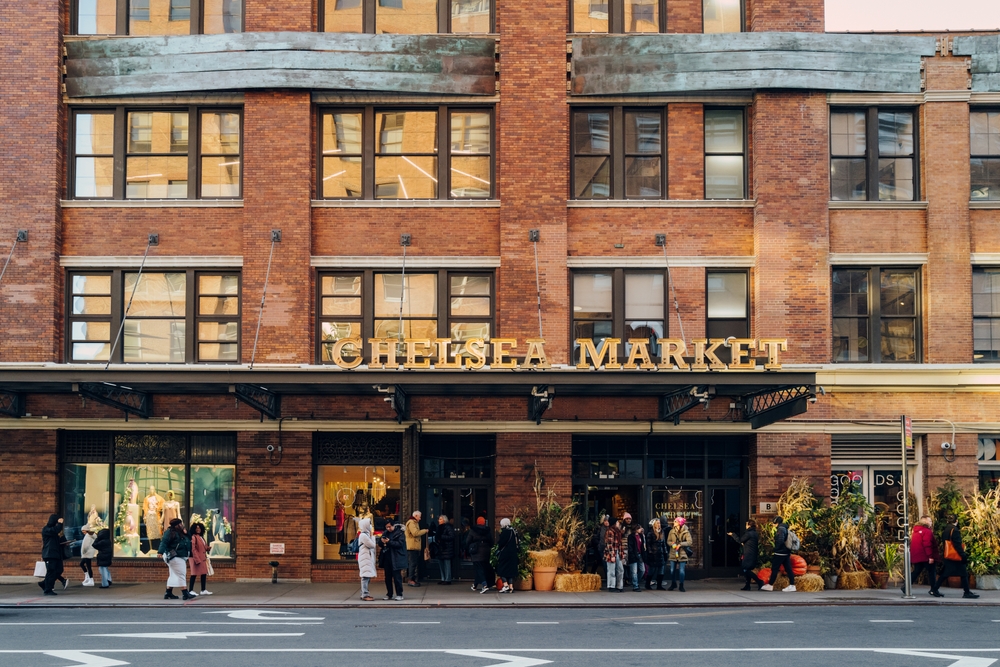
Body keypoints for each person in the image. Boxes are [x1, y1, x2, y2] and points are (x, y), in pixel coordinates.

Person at [943, 514, 979, 599]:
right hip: (956, 555)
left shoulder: (946, 529)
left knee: (946, 573)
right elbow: (957, 544)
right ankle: (967, 593)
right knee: (963, 573)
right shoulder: (955, 530)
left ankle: (935, 589)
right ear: (956, 521)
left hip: (948, 554)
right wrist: (962, 555)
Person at [158, 518, 194, 601]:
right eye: (180, 524)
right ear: (176, 525)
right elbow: (164, 542)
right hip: (175, 556)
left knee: (173, 574)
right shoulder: (170, 532)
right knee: (182, 574)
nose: (182, 525)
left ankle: (168, 592)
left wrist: (186, 533)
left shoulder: (181, 532)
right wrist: (160, 552)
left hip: (180, 556)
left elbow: (189, 540)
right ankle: (185, 593)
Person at [906, 514, 942, 597]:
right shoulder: (927, 531)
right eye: (930, 521)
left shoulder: (915, 530)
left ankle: (906, 586)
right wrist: (930, 556)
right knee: (932, 572)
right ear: (925, 521)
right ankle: (934, 589)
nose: (931, 523)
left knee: (916, 571)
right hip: (925, 556)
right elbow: (927, 544)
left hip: (917, 555)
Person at [761, 516, 795, 592]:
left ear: (776, 522)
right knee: (788, 569)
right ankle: (792, 585)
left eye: (773, 523)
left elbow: (780, 540)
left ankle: (770, 585)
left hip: (780, 553)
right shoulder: (785, 528)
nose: (773, 525)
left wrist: (776, 549)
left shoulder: (780, 529)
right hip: (786, 552)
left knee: (775, 569)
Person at [729, 520, 763, 591]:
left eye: (746, 524)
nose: (746, 526)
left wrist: (733, 535)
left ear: (749, 525)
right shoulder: (754, 533)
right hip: (752, 553)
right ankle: (747, 586)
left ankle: (759, 582)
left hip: (748, 553)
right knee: (748, 569)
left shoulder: (748, 534)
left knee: (745, 569)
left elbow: (740, 540)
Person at [40, 514, 68, 595]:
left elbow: (59, 539)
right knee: (51, 571)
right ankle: (48, 589)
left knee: (59, 570)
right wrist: (60, 524)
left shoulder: (55, 531)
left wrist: (63, 538)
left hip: (56, 554)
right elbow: (55, 530)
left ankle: (44, 583)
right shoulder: (46, 529)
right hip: (49, 554)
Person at [379, 520, 406, 600]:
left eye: (389, 527)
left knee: (397, 577)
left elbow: (399, 544)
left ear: (393, 525)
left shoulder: (400, 533)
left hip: (396, 557)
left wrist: (389, 542)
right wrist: (381, 541)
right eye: (387, 527)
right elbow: (379, 544)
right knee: (388, 577)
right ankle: (389, 594)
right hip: (387, 557)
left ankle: (399, 594)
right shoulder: (385, 533)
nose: (388, 528)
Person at [467, 516, 493, 593]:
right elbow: (491, 541)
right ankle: (475, 585)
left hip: (476, 552)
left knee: (479, 569)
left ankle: (484, 584)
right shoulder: (487, 531)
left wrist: (468, 547)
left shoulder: (473, 530)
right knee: (482, 568)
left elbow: (468, 541)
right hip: (486, 551)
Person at [667, 516, 692, 592]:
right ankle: (673, 583)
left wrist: (681, 544)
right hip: (673, 552)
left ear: (679, 523)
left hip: (682, 553)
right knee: (672, 570)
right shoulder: (671, 531)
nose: (673, 523)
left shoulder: (686, 532)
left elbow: (689, 542)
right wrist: (672, 544)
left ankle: (681, 585)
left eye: (675, 521)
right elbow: (668, 541)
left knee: (681, 571)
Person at [405, 511, 428, 587]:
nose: (420, 518)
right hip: (412, 546)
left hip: (414, 546)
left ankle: (412, 579)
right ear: (416, 516)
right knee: (412, 563)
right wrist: (424, 531)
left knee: (413, 563)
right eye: (419, 517)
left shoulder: (414, 522)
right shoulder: (411, 523)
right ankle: (411, 579)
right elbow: (415, 533)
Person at [188, 522, 211, 597]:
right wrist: (197, 559)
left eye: (199, 528)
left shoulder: (201, 537)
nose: (198, 529)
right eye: (197, 528)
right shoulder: (193, 537)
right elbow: (193, 549)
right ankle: (190, 590)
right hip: (196, 558)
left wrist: (208, 548)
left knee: (203, 574)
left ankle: (203, 589)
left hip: (202, 558)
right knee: (194, 574)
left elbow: (203, 547)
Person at [495, 518, 519, 593]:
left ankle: (505, 585)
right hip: (513, 554)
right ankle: (511, 587)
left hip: (505, 554)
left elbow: (501, 543)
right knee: (511, 571)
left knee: (502, 570)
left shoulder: (505, 532)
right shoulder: (514, 531)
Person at [356, 517, 376, 601]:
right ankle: (365, 594)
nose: (371, 526)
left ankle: (364, 593)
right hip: (365, 558)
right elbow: (372, 545)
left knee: (367, 576)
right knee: (365, 576)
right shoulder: (363, 535)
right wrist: (372, 536)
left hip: (367, 558)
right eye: (369, 524)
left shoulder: (365, 535)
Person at [625, 517, 646, 592]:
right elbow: (630, 547)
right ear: (636, 529)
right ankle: (635, 585)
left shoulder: (641, 536)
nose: (641, 529)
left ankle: (635, 581)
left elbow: (642, 546)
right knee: (634, 571)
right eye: (639, 528)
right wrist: (633, 554)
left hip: (640, 554)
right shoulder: (631, 537)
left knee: (642, 570)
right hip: (634, 555)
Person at [644, 518, 666, 590]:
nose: (659, 524)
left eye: (659, 523)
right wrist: (650, 553)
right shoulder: (650, 533)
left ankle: (659, 585)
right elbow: (648, 544)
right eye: (657, 523)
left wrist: (665, 552)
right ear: (654, 524)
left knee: (661, 570)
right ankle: (647, 584)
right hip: (654, 554)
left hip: (661, 553)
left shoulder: (662, 532)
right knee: (652, 570)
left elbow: (663, 544)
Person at [604, 517, 624, 592]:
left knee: (620, 569)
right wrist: (612, 555)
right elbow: (609, 544)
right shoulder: (610, 531)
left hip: (617, 552)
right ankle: (611, 586)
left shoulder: (618, 531)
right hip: (611, 553)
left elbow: (619, 544)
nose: (619, 523)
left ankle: (619, 586)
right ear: (614, 523)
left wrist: (621, 554)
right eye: (617, 522)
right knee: (611, 570)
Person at [436, 515, 455, 585]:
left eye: (440, 519)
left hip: (447, 548)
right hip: (441, 548)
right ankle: (443, 578)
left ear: (444, 520)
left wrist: (442, 537)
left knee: (447, 564)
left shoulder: (448, 527)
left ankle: (448, 579)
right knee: (441, 563)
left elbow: (452, 536)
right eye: (439, 519)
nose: (439, 520)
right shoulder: (439, 528)